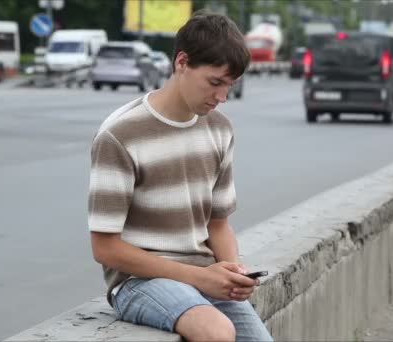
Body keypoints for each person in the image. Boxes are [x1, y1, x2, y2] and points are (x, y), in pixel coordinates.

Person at [87, 11, 273, 342]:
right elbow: (105, 248)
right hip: (139, 282)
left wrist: (233, 271)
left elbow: (218, 224)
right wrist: (199, 278)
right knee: (216, 332)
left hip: (203, 276)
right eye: (215, 82)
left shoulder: (220, 130)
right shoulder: (120, 135)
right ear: (182, 63)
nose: (222, 97)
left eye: (230, 85)